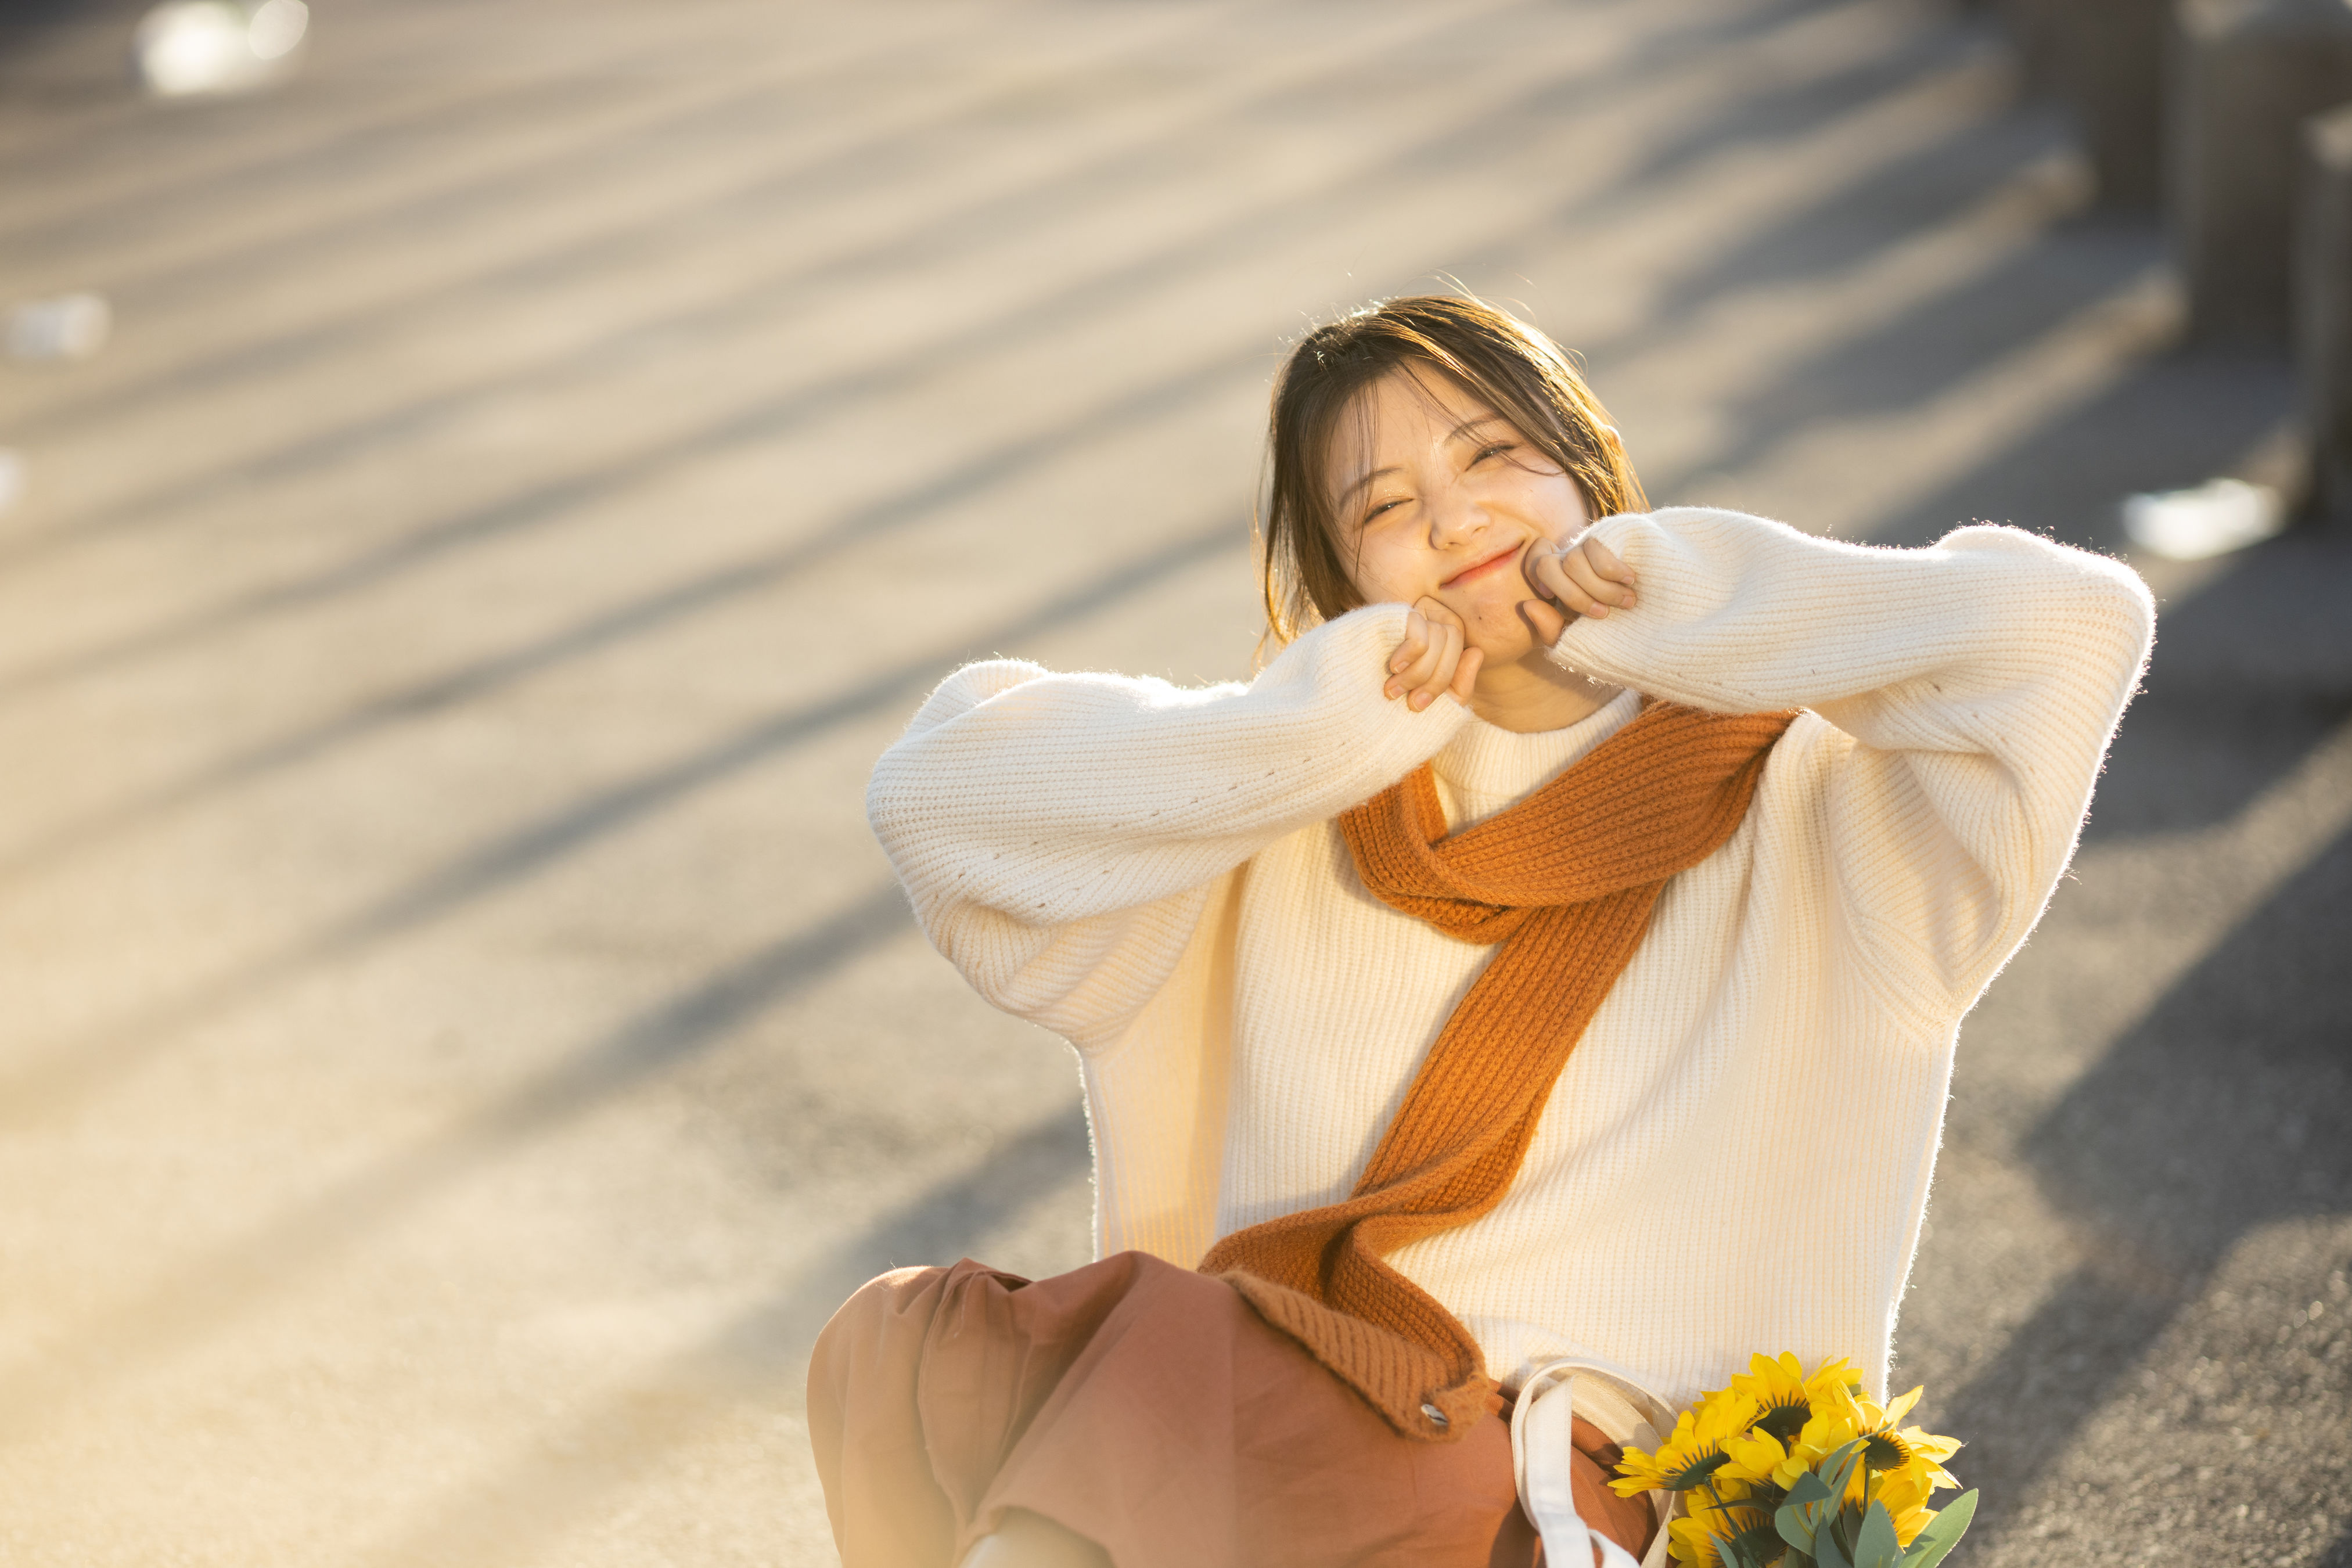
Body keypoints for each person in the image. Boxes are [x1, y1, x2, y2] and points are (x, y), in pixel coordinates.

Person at [807, 294, 2154, 1568]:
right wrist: (1316, 729)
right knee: (919, 1343)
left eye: (1496, 455)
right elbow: (936, 804)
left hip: (1594, 1486)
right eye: (1386, 508)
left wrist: (1697, 603)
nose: (1455, 518)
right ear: (1351, 585)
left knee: (1164, 1361)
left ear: (1588, 472)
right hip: (1279, 1409)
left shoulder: (1829, 811)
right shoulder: (1289, 806)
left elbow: (2078, 631)